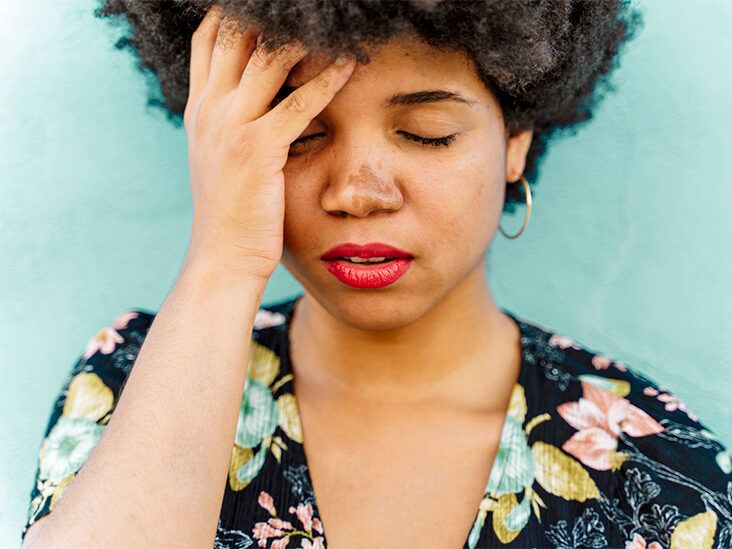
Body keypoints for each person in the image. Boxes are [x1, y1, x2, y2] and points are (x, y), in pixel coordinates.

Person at [21, 1, 731, 548]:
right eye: (298, 135)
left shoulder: (655, 468)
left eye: (426, 134)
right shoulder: (128, 386)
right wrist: (221, 260)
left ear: (517, 139)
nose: (358, 191)